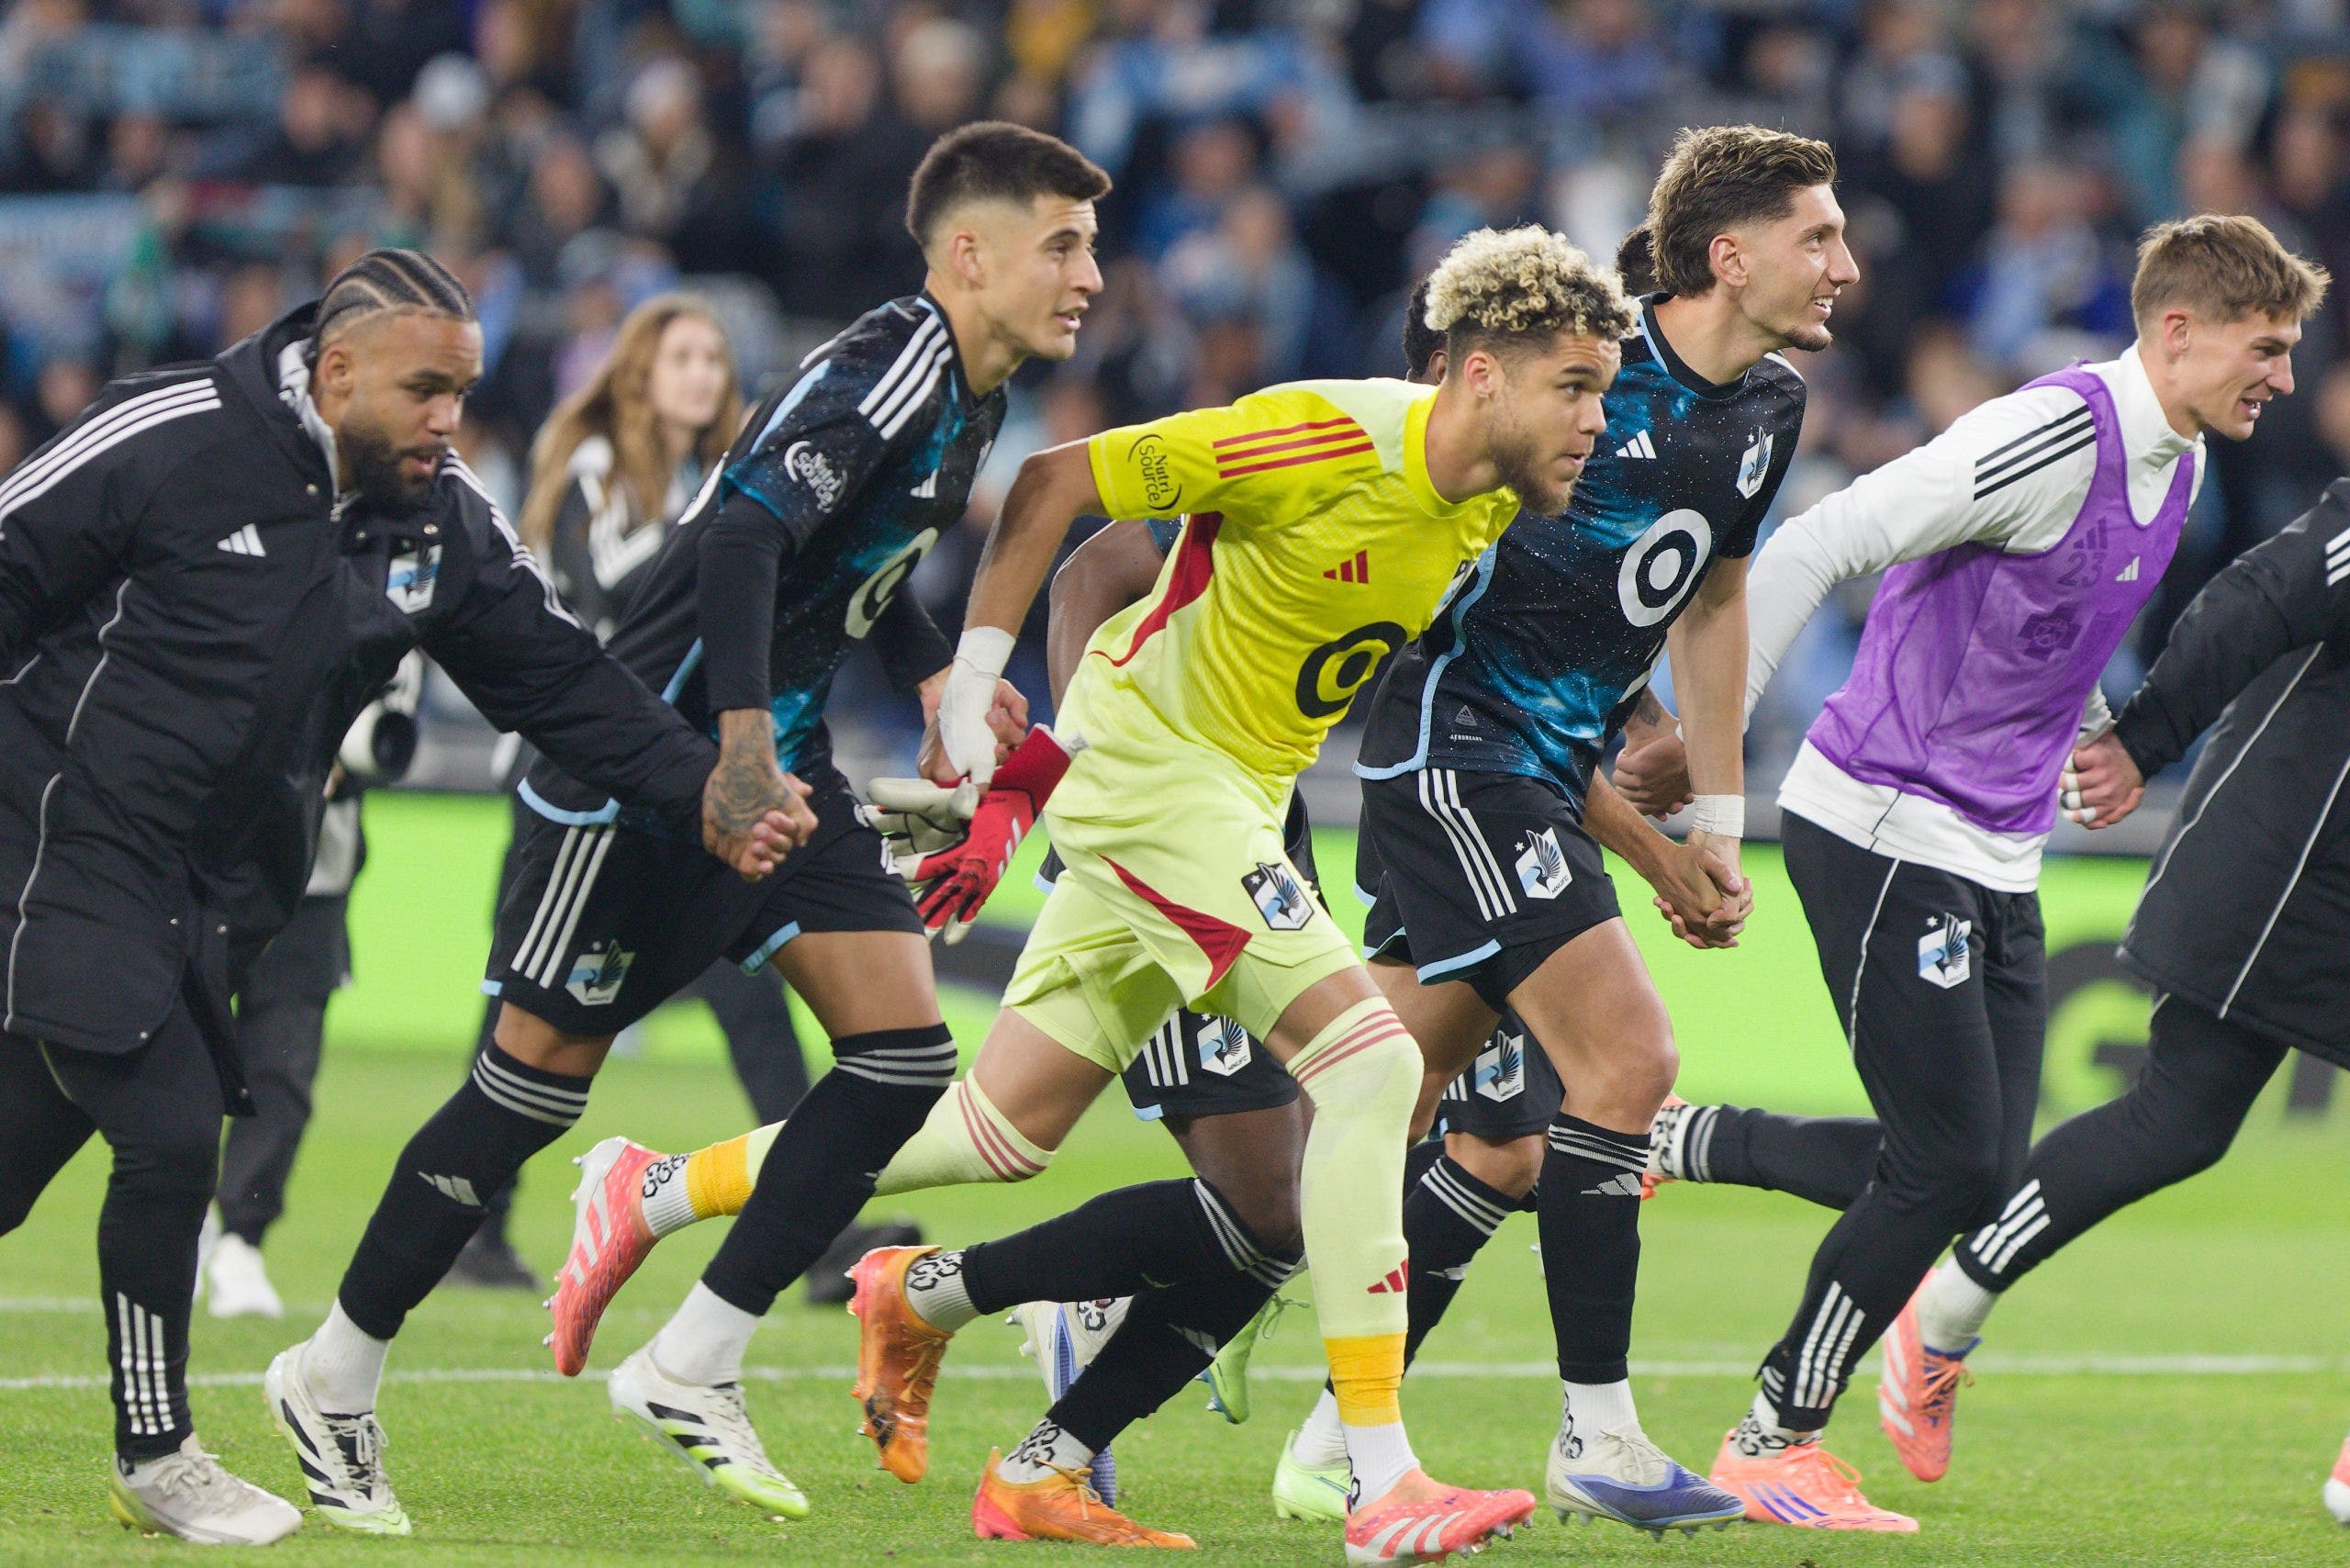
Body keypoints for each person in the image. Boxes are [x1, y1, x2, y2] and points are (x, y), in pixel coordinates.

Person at [265, 121, 1100, 1534]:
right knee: (525, 1095)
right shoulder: (895, 370)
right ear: (971, 252)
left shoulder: (967, 389)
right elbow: (739, 541)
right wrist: (718, 763)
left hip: (778, 759)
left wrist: (926, 676)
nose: (1090, 274)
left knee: (902, 1055)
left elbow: (858, 560)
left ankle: (693, 1359)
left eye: (1091, 244)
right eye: (1063, 244)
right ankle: (329, 1374)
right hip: (646, 773)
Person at [827, 221, 1626, 1560]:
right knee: (1359, 1085)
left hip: (1239, 804)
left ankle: (663, 1191)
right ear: (1479, 374)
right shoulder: (1320, 438)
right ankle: (1377, 1479)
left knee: (994, 1135)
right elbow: (1066, 501)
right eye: (1577, 388)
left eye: (1606, 392)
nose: (1597, 421)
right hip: (1164, 793)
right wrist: (997, 740)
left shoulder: (1486, 501)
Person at [0, 247, 800, 1546]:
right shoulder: (173, 435)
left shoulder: (440, 518)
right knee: (168, 1124)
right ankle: (158, 1452)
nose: (450, 420)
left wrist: (707, 788)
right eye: (425, 391)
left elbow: (558, 682)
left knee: (15, 1158)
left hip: (221, 882)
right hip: (56, 828)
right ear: (334, 373)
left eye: (464, 393)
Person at [1621, 212, 2326, 1529]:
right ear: (2177, 331)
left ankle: (1662, 1139)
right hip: (1883, 818)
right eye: (2267, 346)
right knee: (1944, 1169)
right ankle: (1774, 1432)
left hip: (1996, 847)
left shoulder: (2175, 462)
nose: (2283, 377)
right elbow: (1819, 544)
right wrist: (1712, 773)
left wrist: (2108, 737)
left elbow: (2042, 638)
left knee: (1976, 1175)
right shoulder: (2050, 433)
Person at [1267, 124, 1838, 1538]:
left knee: (1391, 1113)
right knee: (1627, 1059)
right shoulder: (1573, 380)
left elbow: (1712, 601)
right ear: (1732, 255)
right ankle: (1602, 1433)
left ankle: (1143, 1334)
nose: (1845, 265)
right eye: (1818, 238)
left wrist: (1716, 816)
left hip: (1533, 767)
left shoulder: (1767, 408)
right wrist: (1651, 854)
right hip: (1452, 757)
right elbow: (1481, 649)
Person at [1849, 477, 2350, 1502]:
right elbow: (2258, 594)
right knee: (2180, 1115)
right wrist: (2144, 736)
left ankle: (1937, 1312)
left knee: (2182, 1117)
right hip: (2291, 862)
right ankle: (1938, 1314)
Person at [444, 294, 838, 1290]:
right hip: (577, 787)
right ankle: (461, 1217)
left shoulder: (736, 484)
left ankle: (815, 1226)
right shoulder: (597, 474)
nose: (703, 373)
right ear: (639, 374)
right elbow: (619, 607)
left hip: (694, 787)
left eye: (715, 357)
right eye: (683, 357)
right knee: (524, 1015)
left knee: (755, 1004)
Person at [204, 656, 425, 1319]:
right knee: (176, 1043)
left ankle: (241, 1236)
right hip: (199, 847)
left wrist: (332, 750)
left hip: (313, 867)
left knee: (283, 1062)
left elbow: (388, 724)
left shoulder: (398, 590)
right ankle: (183, 1214)